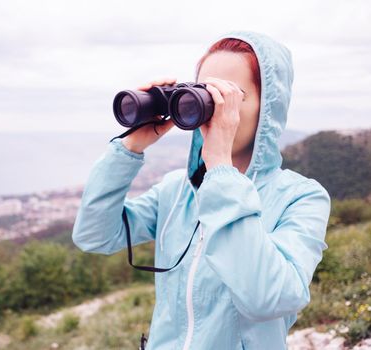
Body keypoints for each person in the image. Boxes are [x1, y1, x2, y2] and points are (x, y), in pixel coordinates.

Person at [72, 30, 331, 350]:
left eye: (229, 96)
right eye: (205, 93)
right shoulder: (177, 190)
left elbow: (269, 297)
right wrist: (131, 146)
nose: (215, 107)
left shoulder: (301, 198)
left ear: (268, 108)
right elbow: (95, 235)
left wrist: (220, 168)